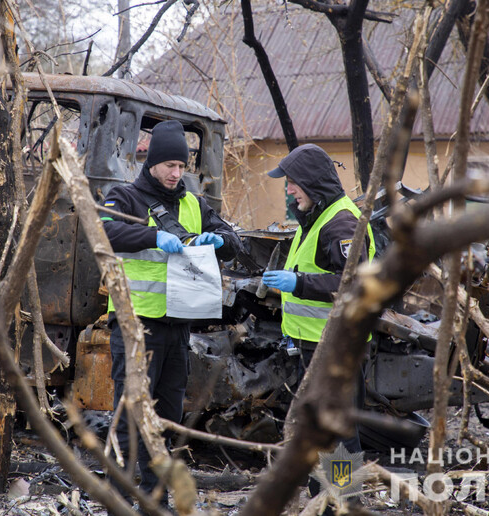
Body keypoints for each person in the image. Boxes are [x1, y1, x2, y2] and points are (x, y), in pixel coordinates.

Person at [101, 120, 241, 508]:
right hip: (136, 326)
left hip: (178, 327)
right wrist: (152, 235)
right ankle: (118, 495)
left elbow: (234, 241)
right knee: (130, 412)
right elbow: (105, 231)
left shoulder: (194, 204)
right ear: (152, 164)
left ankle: (155, 496)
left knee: (167, 414)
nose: (176, 173)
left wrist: (221, 242)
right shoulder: (125, 197)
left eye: (182, 166)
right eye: (169, 166)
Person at [261, 143, 375, 505]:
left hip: (335, 346)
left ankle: (346, 503)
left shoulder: (341, 222)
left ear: (311, 182)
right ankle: (322, 500)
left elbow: (354, 284)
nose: (290, 191)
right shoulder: (317, 216)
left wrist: (298, 283)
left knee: (338, 434)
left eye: (293, 183)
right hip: (314, 344)